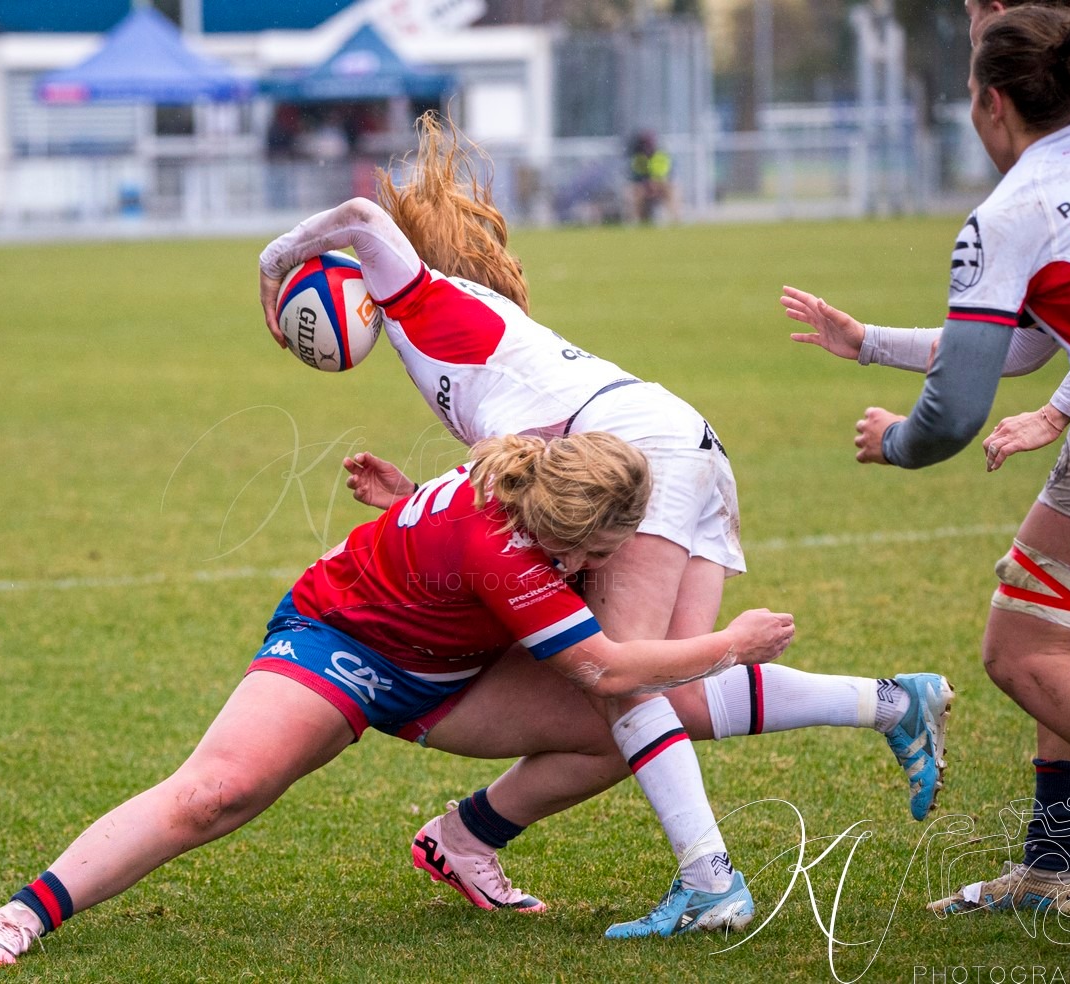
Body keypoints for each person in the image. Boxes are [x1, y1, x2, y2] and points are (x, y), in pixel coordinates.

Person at [258, 112, 953, 939]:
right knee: (677, 693)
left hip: (635, 448)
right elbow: (507, 498)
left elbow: (365, 217)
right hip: (679, 438)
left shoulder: (425, 303)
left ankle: (710, 884)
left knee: (619, 682)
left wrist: (274, 269)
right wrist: (413, 496)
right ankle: (891, 705)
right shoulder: (468, 346)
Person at [0, 433, 797, 966]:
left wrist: (403, 501)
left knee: (629, 736)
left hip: (444, 676)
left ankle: (465, 842)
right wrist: (733, 644)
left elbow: (458, 539)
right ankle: (25, 912)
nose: (623, 558)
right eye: (615, 548)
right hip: (341, 645)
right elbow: (608, 666)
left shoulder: (527, 471)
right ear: (572, 533)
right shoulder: (510, 554)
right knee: (219, 792)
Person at [783, 0, 1070, 922]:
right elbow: (1034, 337)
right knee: (1068, 643)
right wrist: (869, 344)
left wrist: (895, 441)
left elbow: (957, 411)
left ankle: (1059, 862)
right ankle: (1057, 863)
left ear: (990, 104)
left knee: (1040, 663)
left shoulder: (1010, 211)